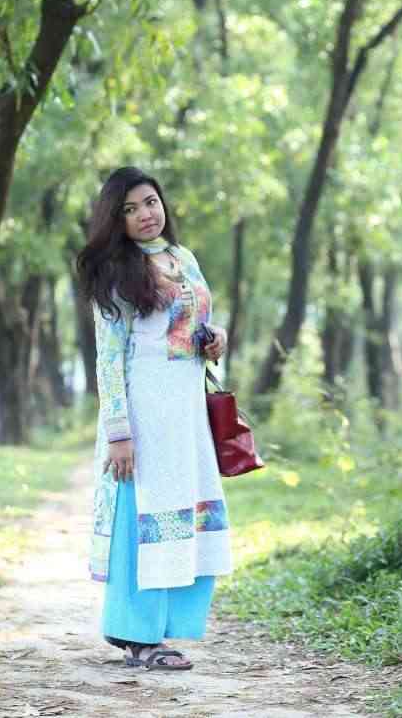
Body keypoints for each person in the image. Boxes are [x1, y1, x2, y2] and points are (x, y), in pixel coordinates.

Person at [76, 166, 232, 671]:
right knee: (140, 516)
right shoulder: (115, 273)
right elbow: (108, 359)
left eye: (150, 202)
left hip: (185, 412)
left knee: (184, 512)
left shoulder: (183, 258)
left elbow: (196, 327)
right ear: (115, 220)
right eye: (130, 209)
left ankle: (165, 630)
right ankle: (137, 635)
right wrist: (118, 434)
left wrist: (216, 340)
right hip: (142, 412)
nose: (145, 214)